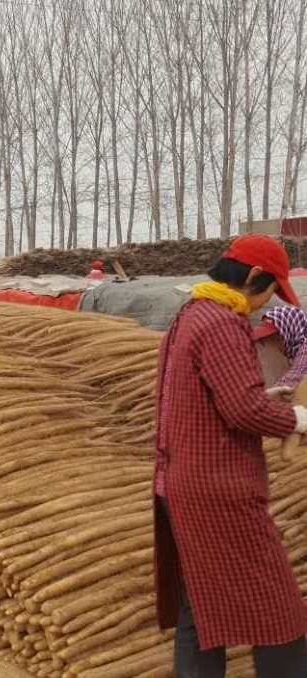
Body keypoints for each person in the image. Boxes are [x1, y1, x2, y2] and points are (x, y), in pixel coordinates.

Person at [154, 234, 307, 678]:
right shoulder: (222, 323)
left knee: (198, 609)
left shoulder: (190, 315)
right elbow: (242, 410)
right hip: (218, 492)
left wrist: (267, 396)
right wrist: (296, 420)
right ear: (255, 276)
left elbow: (219, 397)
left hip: (181, 484)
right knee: (280, 613)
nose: (266, 303)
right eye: (269, 290)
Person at [255, 305, 307, 398]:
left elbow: (288, 385)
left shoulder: (305, 351)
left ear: (288, 333)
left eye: (273, 338)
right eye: (265, 340)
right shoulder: (297, 348)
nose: (268, 344)